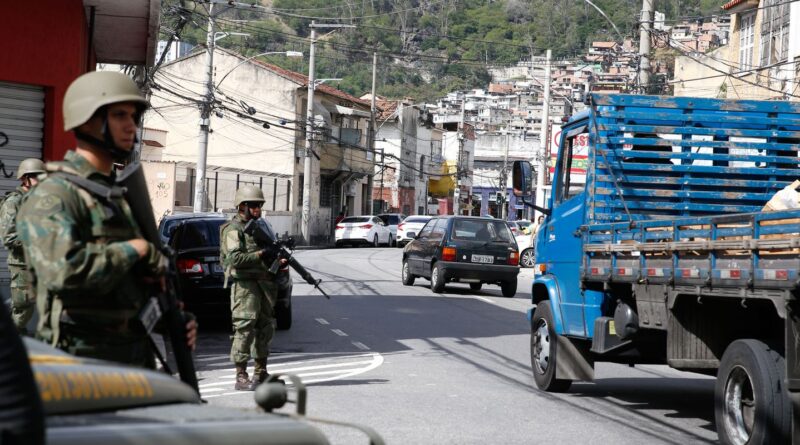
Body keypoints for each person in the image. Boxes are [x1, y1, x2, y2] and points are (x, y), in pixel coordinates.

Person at [16, 71, 196, 367]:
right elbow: (63, 273)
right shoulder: (55, 195)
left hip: (134, 361)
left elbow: (128, 289)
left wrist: (170, 318)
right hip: (79, 367)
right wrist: (136, 249)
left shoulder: (118, 196)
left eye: (134, 116)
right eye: (119, 115)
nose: (131, 126)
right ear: (87, 121)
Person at [221, 185, 283, 390]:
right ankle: (241, 376)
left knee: (265, 328)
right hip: (245, 286)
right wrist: (261, 254)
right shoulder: (233, 229)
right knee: (244, 329)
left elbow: (268, 254)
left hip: (265, 284)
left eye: (260, 205)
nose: (258, 209)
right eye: (254, 205)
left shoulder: (260, 227)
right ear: (242, 206)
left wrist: (278, 259)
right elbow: (235, 259)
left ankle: (260, 373)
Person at [0, 158, 46, 334]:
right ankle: (10, 340)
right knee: (22, 309)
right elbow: (9, 237)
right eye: (37, 177)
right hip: (22, 264)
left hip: (40, 263)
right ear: (25, 179)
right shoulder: (14, 202)